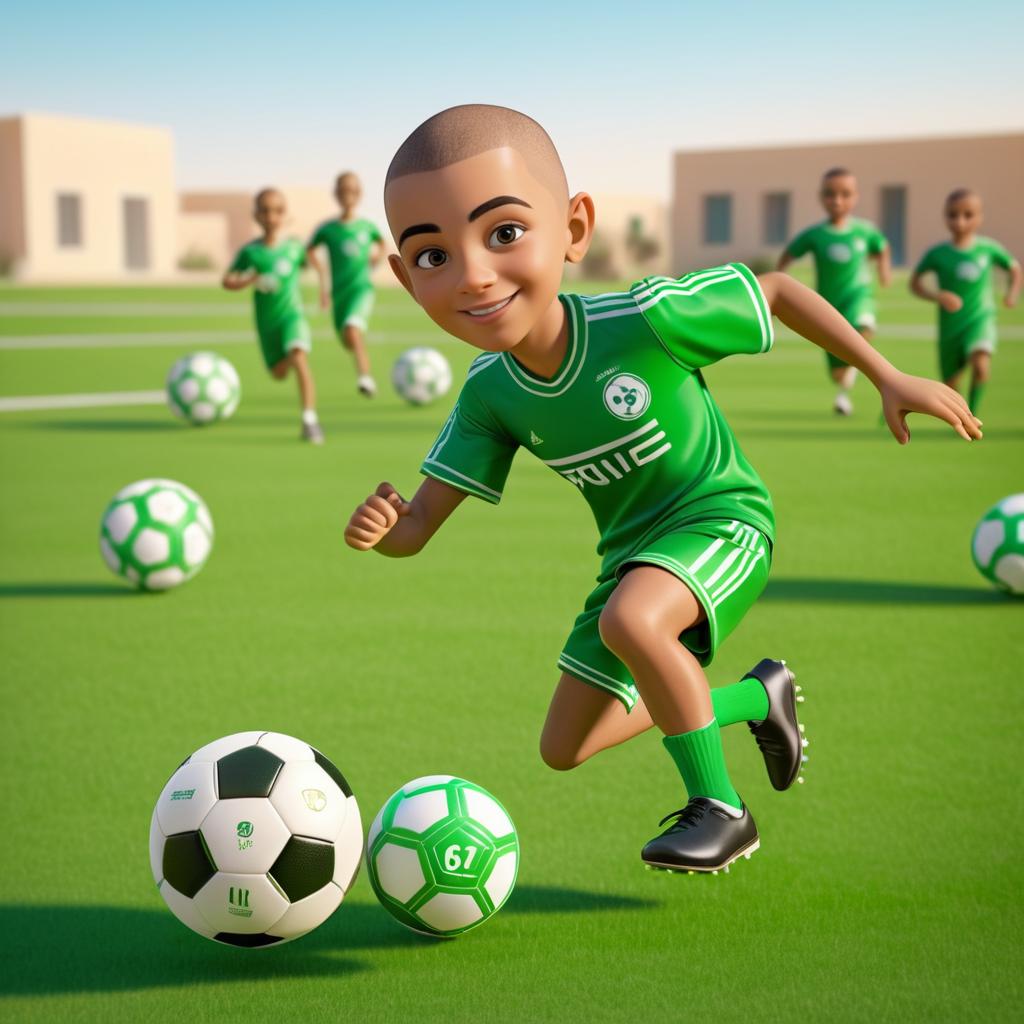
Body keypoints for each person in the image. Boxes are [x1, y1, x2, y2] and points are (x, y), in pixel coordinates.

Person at [345, 106, 981, 874]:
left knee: (634, 622)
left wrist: (887, 375)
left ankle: (721, 810)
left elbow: (774, 291)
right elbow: (418, 528)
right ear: (404, 278)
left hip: (723, 523)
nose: (474, 273)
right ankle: (755, 697)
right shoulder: (489, 394)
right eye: (433, 255)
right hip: (632, 560)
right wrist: (387, 527)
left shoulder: (645, 318)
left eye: (504, 234)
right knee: (565, 746)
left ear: (574, 228)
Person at [778, 168, 890, 415]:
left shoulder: (865, 231)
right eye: (830, 194)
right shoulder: (815, 235)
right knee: (838, 373)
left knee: (863, 327)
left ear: (855, 197)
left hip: (858, 296)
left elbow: (881, 247)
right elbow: (789, 254)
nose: (837, 200)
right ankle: (844, 391)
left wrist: (884, 270)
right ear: (822, 197)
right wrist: (779, 277)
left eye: (845, 194)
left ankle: (862, 361)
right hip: (827, 305)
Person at [222, 188, 322, 443]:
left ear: (284, 214)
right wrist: (249, 280)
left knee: (299, 356)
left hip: (292, 316)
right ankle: (285, 357)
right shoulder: (251, 252)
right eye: (265, 211)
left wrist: (325, 290)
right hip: (267, 322)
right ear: (256, 215)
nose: (271, 216)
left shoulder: (294, 247)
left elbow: (310, 263)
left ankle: (310, 421)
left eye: (277, 211)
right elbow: (228, 281)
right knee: (278, 373)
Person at [910, 188, 1021, 414]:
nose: (960, 221)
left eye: (968, 215)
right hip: (951, 326)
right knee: (951, 384)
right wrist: (937, 295)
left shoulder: (988, 249)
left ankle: (974, 413)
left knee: (981, 367)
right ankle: (961, 415)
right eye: (953, 215)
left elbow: (1014, 268)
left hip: (980, 319)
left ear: (980, 217)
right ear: (945, 217)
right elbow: (915, 284)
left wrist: (1012, 294)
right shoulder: (938, 253)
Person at [307, 172, 385, 397]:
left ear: (359, 194)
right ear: (336, 194)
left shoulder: (366, 227)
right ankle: (361, 359)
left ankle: (365, 378)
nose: (347, 195)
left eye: (352, 190)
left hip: (361, 290)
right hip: (338, 294)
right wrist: (321, 275)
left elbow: (381, 243)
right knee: (348, 339)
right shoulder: (328, 229)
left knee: (352, 329)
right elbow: (311, 249)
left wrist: (376, 257)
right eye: (343, 190)